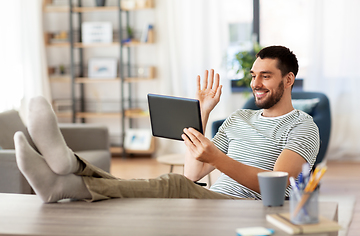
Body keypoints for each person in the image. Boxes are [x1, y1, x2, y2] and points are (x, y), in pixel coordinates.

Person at [14, 45, 319, 203]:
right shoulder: (239, 118)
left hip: (243, 206)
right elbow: (194, 173)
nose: (256, 83)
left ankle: (68, 174)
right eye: (254, 76)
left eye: (265, 76)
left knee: (170, 185)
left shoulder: (303, 126)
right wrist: (202, 113)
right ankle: (66, 173)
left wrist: (217, 157)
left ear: (288, 80)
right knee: (168, 186)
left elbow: (279, 188)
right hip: (211, 199)